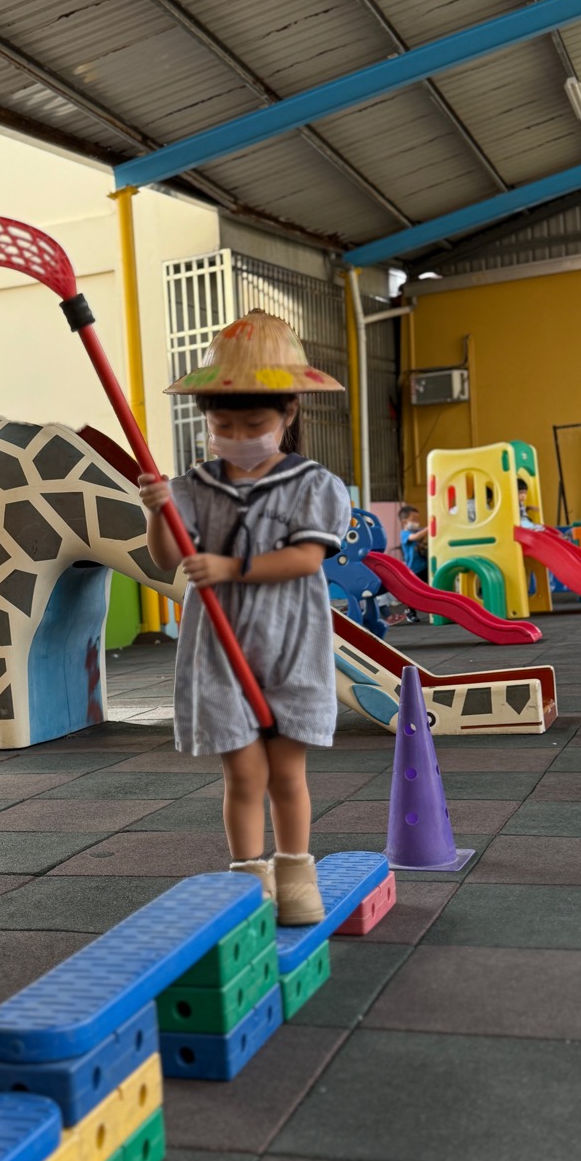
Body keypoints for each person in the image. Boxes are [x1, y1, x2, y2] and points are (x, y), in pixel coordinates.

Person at [138, 309, 351, 927]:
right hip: (220, 649)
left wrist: (230, 568)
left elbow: (306, 558)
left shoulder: (313, 485)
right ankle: (248, 882)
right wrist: (158, 510)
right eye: (222, 424)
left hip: (290, 645)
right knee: (243, 773)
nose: (238, 435)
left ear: (288, 414)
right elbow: (168, 557)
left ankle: (296, 875)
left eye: (254, 424)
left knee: (286, 772)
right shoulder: (196, 486)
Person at [398, 504, 429, 622]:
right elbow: (414, 537)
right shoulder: (404, 533)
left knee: (430, 587)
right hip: (413, 569)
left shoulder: (417, 530)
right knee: (412, 592)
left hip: (424, 565)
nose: (417, 522)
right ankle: (410, 612)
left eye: (418, 519)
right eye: (414, 519)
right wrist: (429, 528)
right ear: (404, 522)